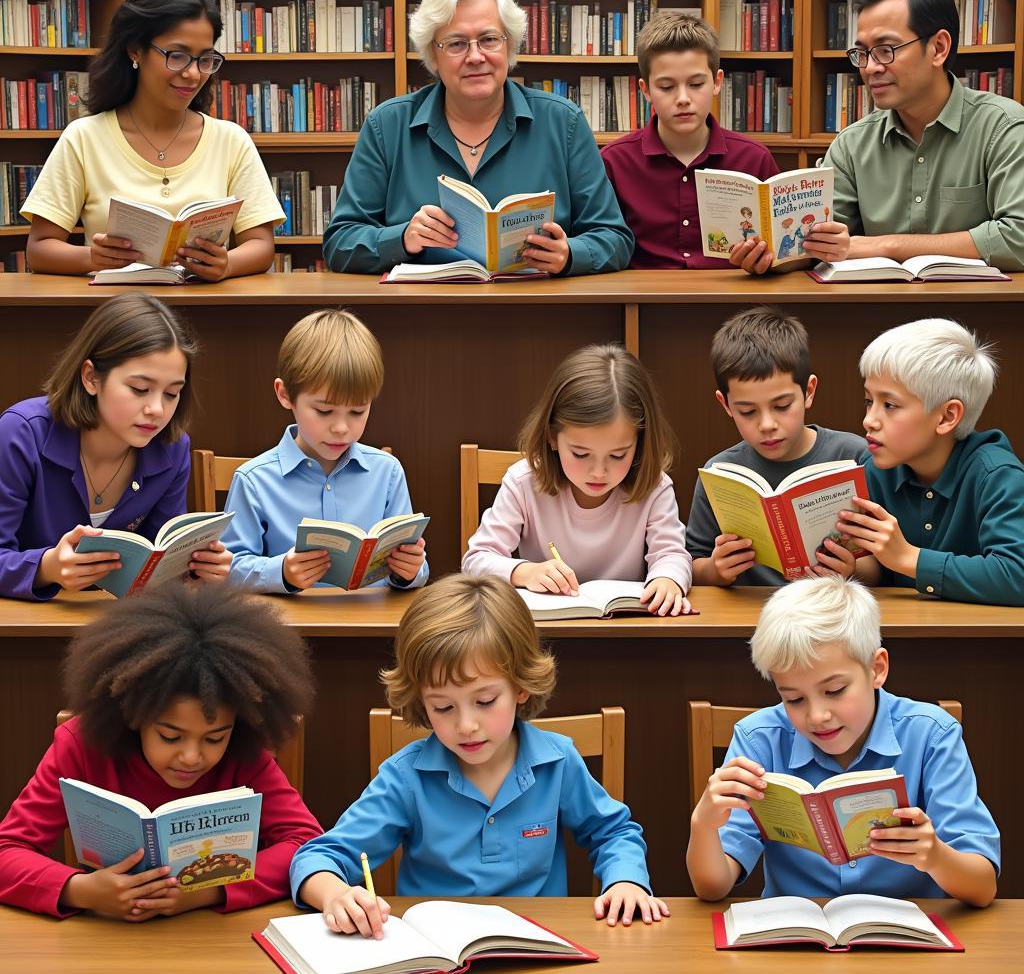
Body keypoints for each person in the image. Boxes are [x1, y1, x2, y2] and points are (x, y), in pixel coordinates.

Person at [290, 573, 669, 937]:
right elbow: (317, 857)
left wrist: (626, 881)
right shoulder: (406, 777)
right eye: (443, 708)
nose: (467, 725)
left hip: (541, 948)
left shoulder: (558, 761)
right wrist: (335, 894)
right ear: (421, 701)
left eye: (485, 701)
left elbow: (614, 832)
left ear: (520, 686)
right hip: (438, 955)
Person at [0, 581, 322, 918]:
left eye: (214, 738)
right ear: (132, 717)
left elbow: (305, 843)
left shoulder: (245, 751)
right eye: (170, 736)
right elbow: (7, 850)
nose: (192, 757)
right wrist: (80, 890)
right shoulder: (80, 745)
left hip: (211, 941)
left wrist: (207, 890)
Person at [686, 576, 999, 906]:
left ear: (877, 669)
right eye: (794, 699)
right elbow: (712, 887)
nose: (817, 715)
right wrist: (703, 824)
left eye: (834, 691)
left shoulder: (931, 735)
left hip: (910, 941)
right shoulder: (759, 739)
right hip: (797, 940)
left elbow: (982, 887)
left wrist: (935, 856)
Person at [321, 0, 633, 275]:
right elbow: (339, 243)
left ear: (509, 45)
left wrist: (569, 255)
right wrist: (401, 238)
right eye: (456, 43)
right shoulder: (386, 126)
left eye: (488, 39)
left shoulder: (563, 122)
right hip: (419, 317)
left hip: (537, 313)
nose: (475, 56)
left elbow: (614, 239)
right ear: (433, 53)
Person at [732, 0, 1024, 274]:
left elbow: (1019, 238)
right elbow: (817, 243)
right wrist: (769, 259)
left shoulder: (1004, 128)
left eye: (886, 49)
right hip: (872, 313)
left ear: (938, 48)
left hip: (977, 315)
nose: (870, 68)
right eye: (862, 53)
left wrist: (886, 245)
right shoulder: (852, 144)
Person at [21, 0, 284, 279]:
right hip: (121, 316)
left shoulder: (231, 141)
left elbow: (262, 245)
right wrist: (92, 258)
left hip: (209, 314)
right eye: (177, 56)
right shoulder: (84, 138)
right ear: (135, 50)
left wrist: (227, 265)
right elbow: (39, 248)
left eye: (205, 59)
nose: (193, 74)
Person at [0, 293, 231, 601]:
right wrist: (46, 568)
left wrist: (196, 570)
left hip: (121, 628)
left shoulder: (173, 449)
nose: (157, 410)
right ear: (91, 377)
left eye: (172, 394)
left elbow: (159, 561)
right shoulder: (20, 433)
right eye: (140, 389)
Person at [462, 343, 692, 616]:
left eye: (618, 456)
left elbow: (672, 554)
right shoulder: (523, 482)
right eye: (581, 454)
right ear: (552, 437)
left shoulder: (654, 487)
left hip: (627, 631)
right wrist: (524, 572)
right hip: (542, 635)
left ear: (640, 444)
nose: (598, 472)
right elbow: (476, 560)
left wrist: (667, 579)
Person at [224, 308, 427, 593]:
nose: (342, 428)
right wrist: (281, 571)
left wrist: (410, 570)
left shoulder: (387, 472)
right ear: (285, 395)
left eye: (358, 411)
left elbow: (415, 567)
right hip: (285, 631)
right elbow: (228, 571)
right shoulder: (254, 480)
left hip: (371, 627)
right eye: (324, 411)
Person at [835, 318, 1024, 606]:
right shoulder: (873, 469)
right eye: (868, 401)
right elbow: (882, 573)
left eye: (889, 405)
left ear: (947, 417)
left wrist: (909, 558)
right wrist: (850, 568)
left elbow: (1017, 575)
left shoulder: (997, 476)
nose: (868, 420)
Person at [687, 307, 867, 587]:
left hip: (832, 613)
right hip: (753, 618)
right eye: (747, 411)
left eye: (782, 406)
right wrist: (716, 569)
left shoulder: (855, 456)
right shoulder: (719, 473)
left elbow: (882, 563)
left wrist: (852, 569)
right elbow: (694, 564)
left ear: (809, 392)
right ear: (726, 405)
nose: (767, 424)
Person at [600, 12, 778, 269]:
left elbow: (781, 252)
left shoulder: (754, 159)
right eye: (666, 87)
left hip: (735, 302)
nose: (683, 98)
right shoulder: (614, 161)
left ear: (717, 83)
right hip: (644, 302)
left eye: (696, 84)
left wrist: (766, 261)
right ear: (645, 90)